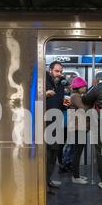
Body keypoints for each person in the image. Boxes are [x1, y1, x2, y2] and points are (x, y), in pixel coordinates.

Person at [46, 61, 65, 194]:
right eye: (57, 71)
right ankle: (43, 183)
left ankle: (48, 180)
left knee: (53, 153)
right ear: (50, 70)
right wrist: (45, 95)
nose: (59, 74)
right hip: (45, 123)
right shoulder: (44, 82)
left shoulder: (61, 84)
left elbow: (60, 103)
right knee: (46, 155)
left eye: (60, 71)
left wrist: (66, 104)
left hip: (57, 121)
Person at [68, 77, 92, 184]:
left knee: (78, 151)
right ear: (78, 87)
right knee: (77, 152)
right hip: (79, 128)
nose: (85, 88)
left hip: (81, 127)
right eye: (83, 86)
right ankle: (76, 177)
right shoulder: (75, 96)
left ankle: (77, 175)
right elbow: (84, 109)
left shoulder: (78, 96)